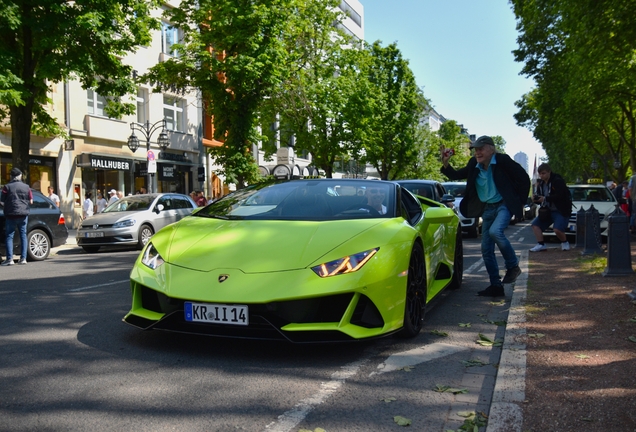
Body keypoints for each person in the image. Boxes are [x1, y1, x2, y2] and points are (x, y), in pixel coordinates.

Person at [441, 135, 530, 297]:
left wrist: (519, 201)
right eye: (475, 149)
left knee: (495, 232)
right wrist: (445, 163)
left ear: (491, 149)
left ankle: (513, 266)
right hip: (488, 209)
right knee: (486, 250)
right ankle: (496, 286)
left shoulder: (503, 161)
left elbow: (524, 179)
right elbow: (455, 175)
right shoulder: (474, 164)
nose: (477, 152)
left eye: (481, 149)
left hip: (503, 205)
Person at [529, 163, 573, 252]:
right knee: (535, 225)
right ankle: (541, 244)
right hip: (547, 210)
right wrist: (536, 199)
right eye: (540, 174)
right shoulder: (541, 183)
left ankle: (565, 242)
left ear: (549, 172)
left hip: (560, 210)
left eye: (543, 173)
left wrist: (545, 198)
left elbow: (560, 196)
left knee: (557, 229)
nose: (541, 175)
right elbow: (540, 196)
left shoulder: (557, 181)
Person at [1, 168, 33, 266]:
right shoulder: (27, 187)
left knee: (9, 236)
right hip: (23, 214)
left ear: (11, 176)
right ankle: (23, 258)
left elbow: (2, 201)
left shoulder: (6, 187)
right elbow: (31, 201)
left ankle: (9, 259)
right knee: (23, 235)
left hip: (11, 214)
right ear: (20, 176)